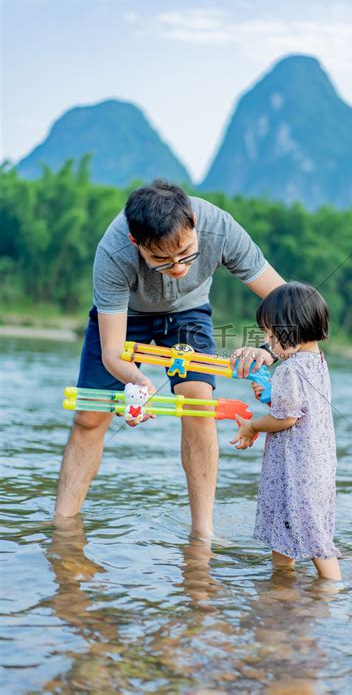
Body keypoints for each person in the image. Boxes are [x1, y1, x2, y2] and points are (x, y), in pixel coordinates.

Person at [55, 179, 285, 538]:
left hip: (188, 315)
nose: (178, 267)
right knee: (89, 415)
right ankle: (63, 526)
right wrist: (139, 382)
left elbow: (285, 300)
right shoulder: (114, 253)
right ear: (136, 243)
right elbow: (113, 352)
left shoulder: (221, 228)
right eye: (161, 260)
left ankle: (202, 534)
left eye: (187, 254)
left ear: (194, 221)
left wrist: (267, 349)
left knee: (199, 401)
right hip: (125, 316)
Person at [230, 282, 341, 580]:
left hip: (297, 468)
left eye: (270, 334)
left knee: (315, 537)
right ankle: (282, 586)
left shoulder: (290, 369)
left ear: (292, 330)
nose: (268, 342)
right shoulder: (316, 361)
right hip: (317, 463)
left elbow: (286, 418)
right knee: (286, 526)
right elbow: (301, 405)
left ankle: (332, 587)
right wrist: (270, 395)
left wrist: (253, 425)